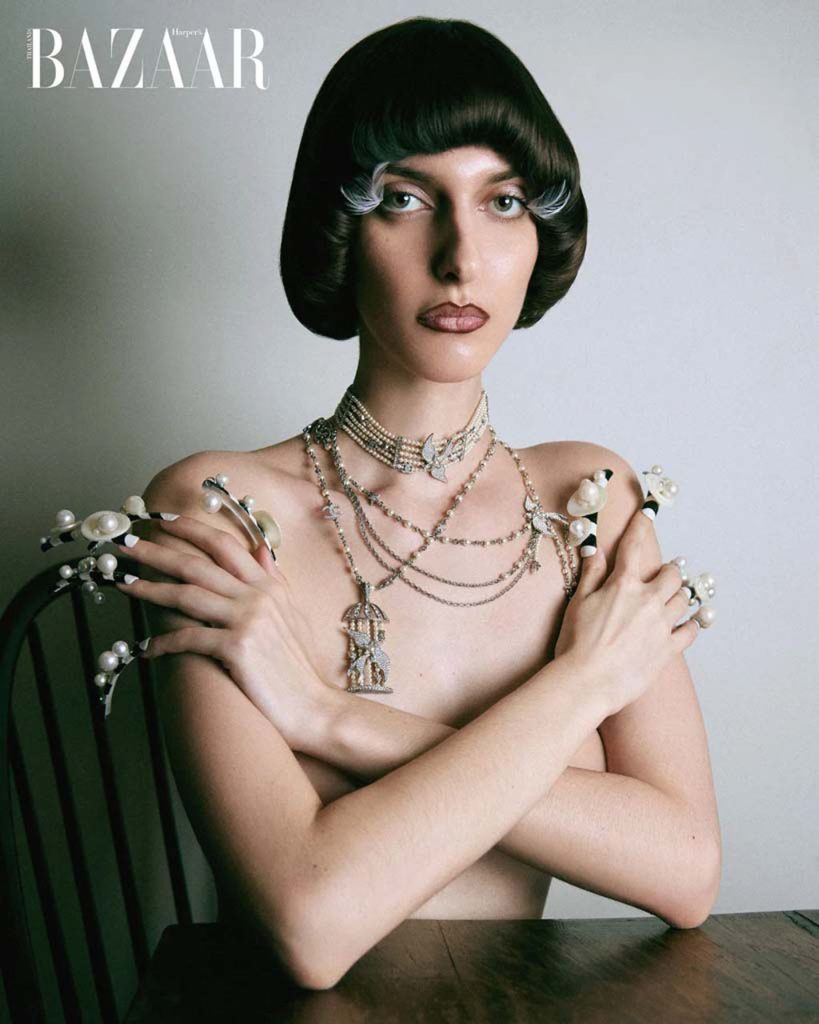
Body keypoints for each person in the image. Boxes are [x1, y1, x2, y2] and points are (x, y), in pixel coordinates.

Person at [120, 17, 721, 991]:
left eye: (503, 201)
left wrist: (330, 718)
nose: (460, 257)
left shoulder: (586, 500)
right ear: (340, 226)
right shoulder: (219, 506)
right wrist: (584, 684)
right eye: (405, 199)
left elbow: (685, 869)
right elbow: (311, 924)